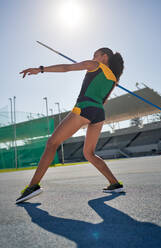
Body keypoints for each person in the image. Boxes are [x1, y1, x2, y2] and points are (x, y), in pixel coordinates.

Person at [16, 48, 124, 204]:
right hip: (98, 113)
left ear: (104, 57)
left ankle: (33, 186)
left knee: (52, 143)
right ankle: (115, 184)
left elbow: (66, 68)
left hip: (85, 107)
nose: (93, 57)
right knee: (89, 153)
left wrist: (40, 69)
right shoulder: (113, 79)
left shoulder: (95, 65)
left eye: (95, 55)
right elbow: (104, 100)